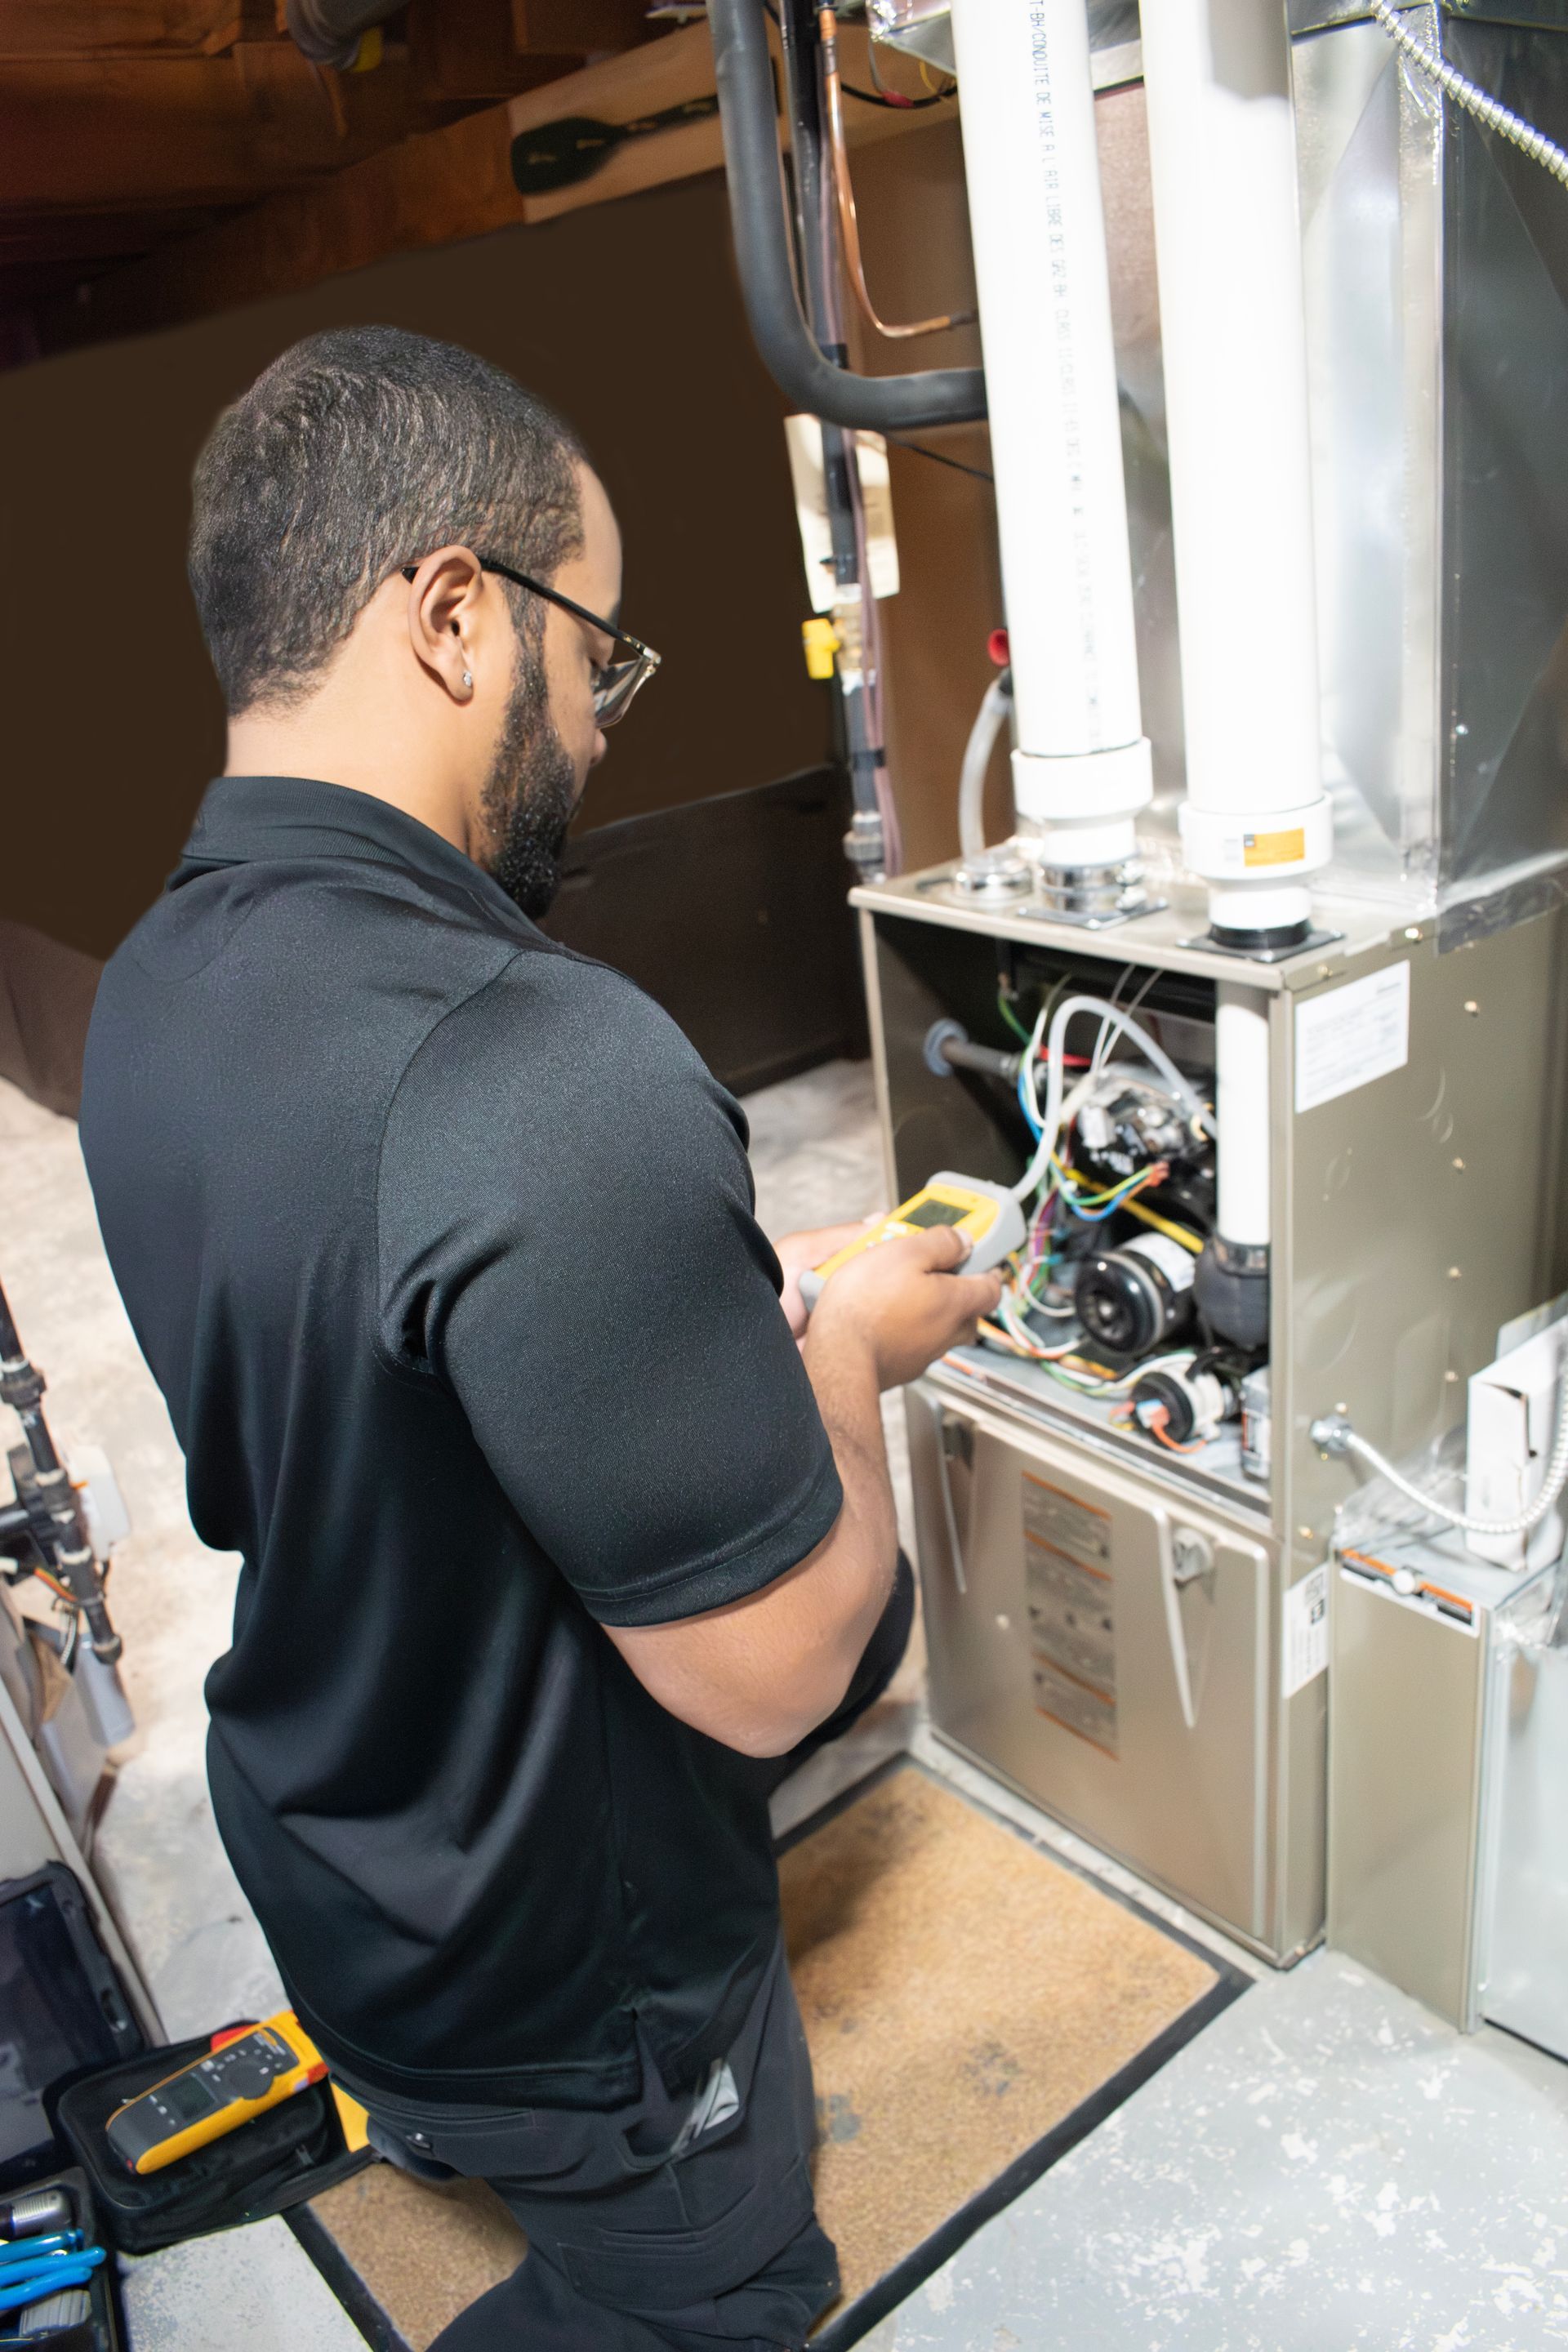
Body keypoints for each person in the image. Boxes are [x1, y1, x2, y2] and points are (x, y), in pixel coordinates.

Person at [79, 326, 1000, 2350]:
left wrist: (708, 1300)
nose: (598, 722)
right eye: (599, 652)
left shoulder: (148, 991)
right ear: (457, 615)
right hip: (565, 1984)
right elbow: (778, 1681)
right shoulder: (537, 1060)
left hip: (330, 1856)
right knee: (726, 2298)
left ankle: (435, 2128)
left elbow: (386, 1363)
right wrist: (838, 1357)